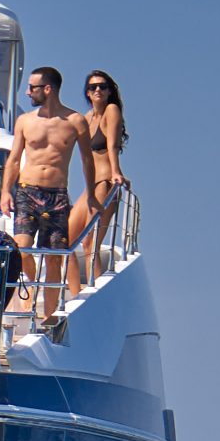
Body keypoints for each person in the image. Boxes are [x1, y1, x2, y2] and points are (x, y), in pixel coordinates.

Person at [0, 66, 89, 316]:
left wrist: (92, 194)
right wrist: (5, 192)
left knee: (54, 258)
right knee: (21, 249)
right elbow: (14, 159)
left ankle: (49, 317)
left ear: (47, 89)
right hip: (27, 192)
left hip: (56, 195)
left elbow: (87, 161)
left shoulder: (75, 121)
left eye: (32, 87)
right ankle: (31, 283)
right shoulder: (25, 121)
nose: (27, 92)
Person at [66, 70, 127, 282]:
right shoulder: (86, 118)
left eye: (102, 86)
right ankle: (77, 294)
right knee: (66, 243)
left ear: (109, 91)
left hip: (106, 182)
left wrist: (116, 172)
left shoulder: (111, 110)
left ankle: (95, 291)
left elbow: (112, 145)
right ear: (87, 93)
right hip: (90, 188)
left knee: (91, 243)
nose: (98, 90)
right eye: (93, 87)